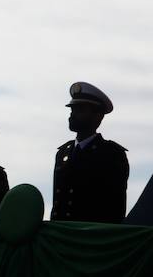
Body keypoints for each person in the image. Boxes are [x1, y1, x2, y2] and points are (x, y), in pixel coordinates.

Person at [52, 82, 129, 223]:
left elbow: (115, 209)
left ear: (98, 116)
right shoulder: (63, 153)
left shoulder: (112, 154)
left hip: (91, 239)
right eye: (72, 110)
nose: (72, 115)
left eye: (80, 110)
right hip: (60, 237)